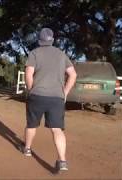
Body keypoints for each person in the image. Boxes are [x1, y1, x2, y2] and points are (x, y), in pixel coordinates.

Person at [23, 28, 77, 172]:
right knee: (57, 129)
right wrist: (64, 93)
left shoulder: (34, 53)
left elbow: (29, 73)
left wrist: (30, 89)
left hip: (37, 95)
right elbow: (73, 75)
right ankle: (63, 160)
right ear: (52, 39)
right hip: (57, 98)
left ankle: (27, 149)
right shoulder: (61, 54)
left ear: (39, 40)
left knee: (32, 125)